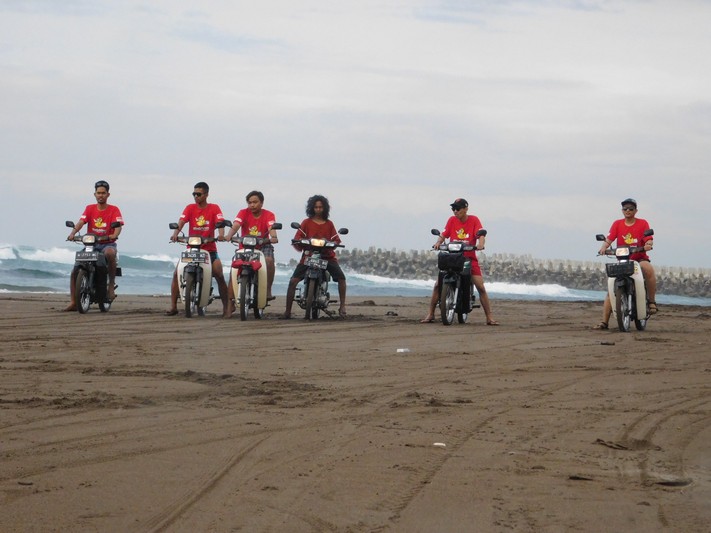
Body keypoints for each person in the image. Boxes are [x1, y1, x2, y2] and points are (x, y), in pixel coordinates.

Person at [420, 198, 498, 325]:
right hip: (453, 258)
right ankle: (431, 314)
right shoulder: (451, 220)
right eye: (453, 209)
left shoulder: (474, 220)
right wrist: (438, 243)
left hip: (469, 259)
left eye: (458, 208)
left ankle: (489, 317)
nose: (455, 211)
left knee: (480, 287)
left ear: (466, 209)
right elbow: (443, 234)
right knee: (437, 285)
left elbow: (481, 235)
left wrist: (480, 244)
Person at [165, 182, 230, 318]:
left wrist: (221, 234)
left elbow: (220, 223)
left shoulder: (214, 208)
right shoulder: (190, 208)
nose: (196, 196)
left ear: (206, 194)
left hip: (209, 250)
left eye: (199, 194)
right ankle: (173, 306)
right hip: (192, 250)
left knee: (219, 274)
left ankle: (227, 307)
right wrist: (176, 234)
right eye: (194, 194)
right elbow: (182, 221)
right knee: (176, 273)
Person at [594, 198, 656, 329]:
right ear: (622, 210)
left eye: (631, 209)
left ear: (636, 211)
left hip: (639, 259)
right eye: (625, 209)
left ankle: (651, 302)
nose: (628, 211)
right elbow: (609, 239)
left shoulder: (643, 223)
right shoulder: (617, 224)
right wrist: (603, 248)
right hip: (622, 260)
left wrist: (648, 244)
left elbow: (648, 238)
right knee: (611, 289)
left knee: (648, 269)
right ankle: (604, 322)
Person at [282, 195, 347, 319]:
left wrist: (334, 243)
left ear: (325, 208)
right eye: (316, 207)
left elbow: (336, 239)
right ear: (312, 208)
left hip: (327, 257)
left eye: (320, 207)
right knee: (293, 281)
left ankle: (342, 306)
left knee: (341, 278)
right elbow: (298, 237)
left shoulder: (329, 224)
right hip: (309, 256)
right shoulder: (306, 223)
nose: (318, 209)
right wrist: (299, 241)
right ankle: (287, 311)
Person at [65, 180, 124, 311]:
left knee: (110, 253)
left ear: (108, 194)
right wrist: (73, 233)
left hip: (107, 244)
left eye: (103, 193)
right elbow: (81, 222)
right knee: (75, 270)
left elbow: (118, 226)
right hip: (91, 244)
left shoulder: (114, 209)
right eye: (98, 193)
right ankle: (74, 302)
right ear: (94, 194)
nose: (100, 195)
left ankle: (110, 286)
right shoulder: (89, 208)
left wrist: (114, 235)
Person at [224, 191, 279, 307]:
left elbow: (271, 227)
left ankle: (268, 289)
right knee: (234, 270)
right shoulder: (243, 212)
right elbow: (236, 224)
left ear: (261, 203)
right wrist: (229, 235)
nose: (252, 205)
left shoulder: (269, 214)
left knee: (269, 260)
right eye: (249, 203)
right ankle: (230, 303)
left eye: (255, 202)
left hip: (263, 245)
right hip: (245, 246)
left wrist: (273, 236)